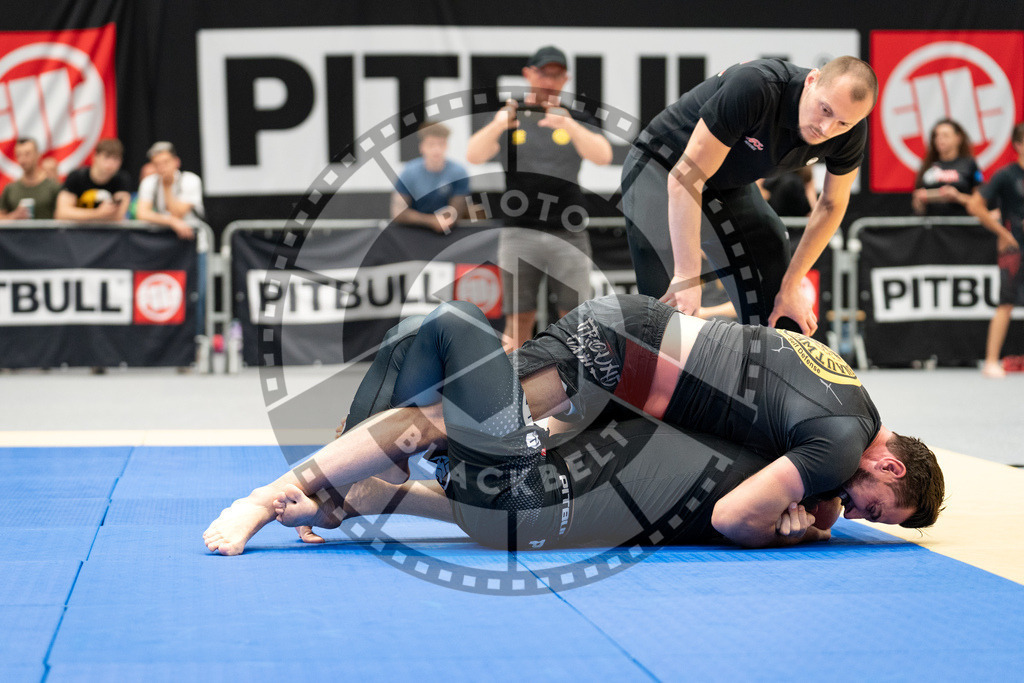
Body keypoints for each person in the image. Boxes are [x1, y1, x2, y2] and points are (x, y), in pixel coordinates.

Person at [203, 294, 943, 556]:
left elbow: (729, 498)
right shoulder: (830, 444)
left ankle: (311, 492)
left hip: (593, 396)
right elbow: (735, 513)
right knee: (434, 396)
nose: (851, 511)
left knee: (437, 365)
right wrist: (801, 525)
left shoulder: (833, 405)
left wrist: (795, 521)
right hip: (611, 368)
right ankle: (331, 491)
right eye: (867, 505)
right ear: (890, 464)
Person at [622, 56, 877, 336]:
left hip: (726, 184)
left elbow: (831, 204)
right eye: (824, 109)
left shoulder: (850, 132)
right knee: (671, 306)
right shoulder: (757, 87)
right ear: (812, 80)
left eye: (843, 123)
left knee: (779, 282)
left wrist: (792, 284)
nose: (826, 129)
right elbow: (686, 177)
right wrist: (686, 276)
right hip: (661, 166)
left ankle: (763, 372)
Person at [466, 45, 613, 350]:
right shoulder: (511, 115)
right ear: (528, 74)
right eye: (544, 72)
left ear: (565, 79)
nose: (549, 80)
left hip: (568, 232)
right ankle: (513, 391)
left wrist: (569, 125)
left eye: (556, 74)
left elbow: (603, 156)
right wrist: (498, 123)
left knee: (576, 318)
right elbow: (474, 154)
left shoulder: (575, 117)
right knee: (519, 319)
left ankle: (575, 388)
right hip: (519, 231)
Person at [969, 122, 1024, 378]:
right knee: (1005, 303)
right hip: (1014, 249)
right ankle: (991, 361)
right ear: (1018, 144)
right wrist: (1003, 233)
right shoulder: (1006, 175)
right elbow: (976, 205)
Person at [391, 122, 470, 234]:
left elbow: (457, 209)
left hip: (448, 234)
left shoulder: (459, 173)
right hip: (413, 234)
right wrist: (431, 221)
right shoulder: (408, 173)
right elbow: (398, 213)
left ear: (446, 146)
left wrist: (444, 220)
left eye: (441, 144)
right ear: (422, 147)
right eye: (431, 144)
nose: (436, 150)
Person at [911, 119, 985, 217]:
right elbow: (917, 206)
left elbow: (981, 201)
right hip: (931, 227)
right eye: (937, 136)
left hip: (961, 225)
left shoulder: (969, 164)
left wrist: (958, 197)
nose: (940, 139)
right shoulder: (928, 165)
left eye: (945, 135)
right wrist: (919, 201)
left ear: (958, 138)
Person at [135, 141, 204, 240]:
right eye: (156, 164)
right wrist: (172, 221)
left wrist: (167, 187)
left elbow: (178, 214)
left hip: (191, 239)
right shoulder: (148, 182)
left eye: (165, 162)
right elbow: (141, 214)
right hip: (163, 240)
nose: (162, 168)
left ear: (176, 162)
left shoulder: (190, 180)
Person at [54, 138, 131, 222]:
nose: (111, 163)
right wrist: (98, 213)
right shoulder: (76, 176)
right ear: (95, 156)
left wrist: (79, 215)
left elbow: (119, 215)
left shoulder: (122, 179)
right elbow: (61, 213)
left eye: (116, 159)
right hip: (76, 232)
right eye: (107, 157)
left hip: (108, 233)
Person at [0, 138, 61, 220]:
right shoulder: (10, 189)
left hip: (47, 233)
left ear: (38, 155)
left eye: (27, 154)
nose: (22, 159)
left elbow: (62, 215)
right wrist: (12, 217)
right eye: (19, 155)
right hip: (17, 233)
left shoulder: (53, 187)